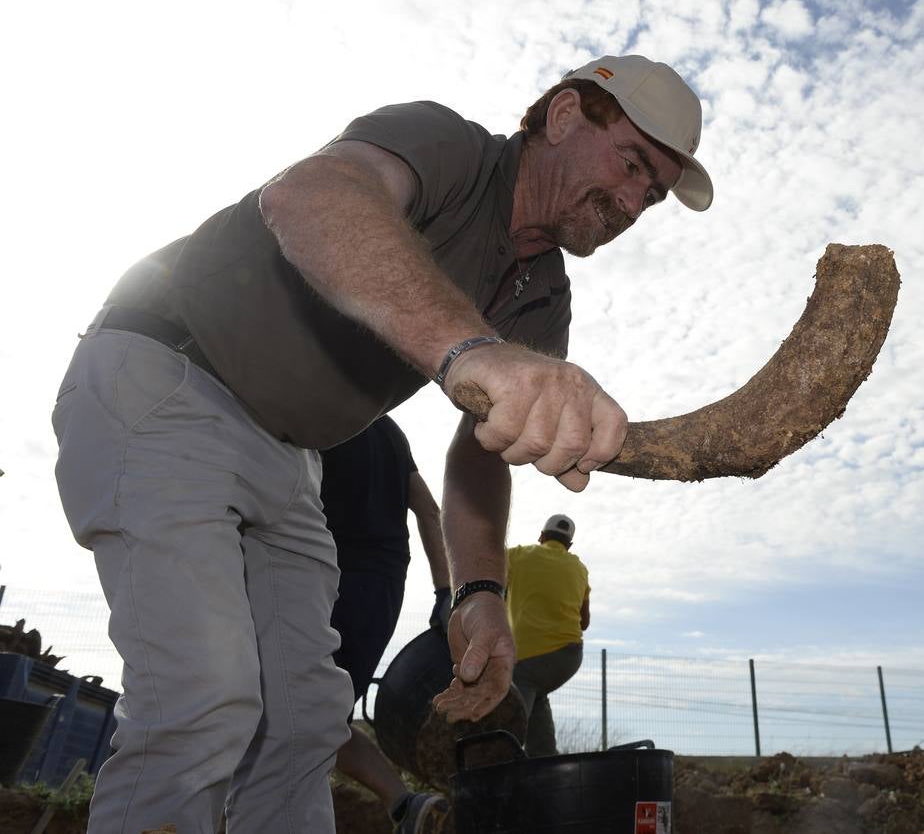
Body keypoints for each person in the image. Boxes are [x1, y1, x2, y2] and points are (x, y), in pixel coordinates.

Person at [50, 53, 712, 832]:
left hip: (292, 458)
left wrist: (479, 596)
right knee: (201, 695)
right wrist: (472, 350)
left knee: (306, 720)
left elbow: (480, 452)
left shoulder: (542, 296)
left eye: (653, 193)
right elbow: (311, 196)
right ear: (564, 116)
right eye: (632, 164)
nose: (634, 202)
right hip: (170, 377)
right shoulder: (448, 149)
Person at [320, 415, 449, 832]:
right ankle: (405, 805)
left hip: (322, 571)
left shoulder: (316, 411)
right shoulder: (390, 431)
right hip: (384, 584)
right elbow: (429, 511)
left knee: (294, 711)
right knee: (329, 715)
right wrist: (446, 593)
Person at [506, 513, 591, 756]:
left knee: (510, 716)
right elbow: (584, 622)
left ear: (541, 536)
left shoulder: (517, 556)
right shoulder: (579, 568)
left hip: (529, 660)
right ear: (569, 544)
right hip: (569, 657)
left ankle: (500, 759)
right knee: (537, 696)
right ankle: (544, 761)